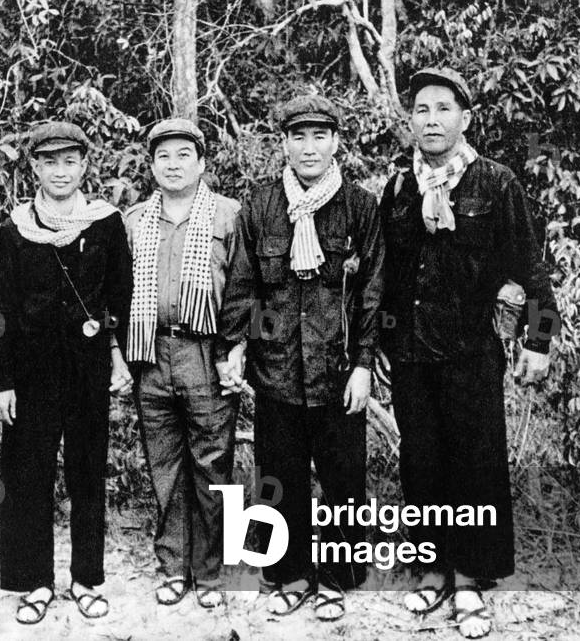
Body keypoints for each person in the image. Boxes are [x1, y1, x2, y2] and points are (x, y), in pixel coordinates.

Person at [379, 68, 558, 639]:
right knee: (421, 462)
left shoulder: (496, 182)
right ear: (410, 121)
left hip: (472, 353)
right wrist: (380, 343)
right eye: (421, 110)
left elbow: (531, 269)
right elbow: (386, 277)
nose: (431, 120)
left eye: (443, 109)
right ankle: (430, 568)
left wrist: (539, 341)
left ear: (465, 118)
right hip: (409, 354)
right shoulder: (400, 189)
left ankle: (469, 580)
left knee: (474, 463)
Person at [216, 95, 385, 621]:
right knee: (278, 473)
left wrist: (363, 363)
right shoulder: (262, 204)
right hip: (277, 370)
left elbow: (372, 291)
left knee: (342, 476)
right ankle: (289, 574)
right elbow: (244, 284)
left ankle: (336, 578)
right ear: (283, 144)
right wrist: (235, 346)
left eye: (319, 136)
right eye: (298, 137)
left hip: (337, 372)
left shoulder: (359, 206)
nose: (308, 148)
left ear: (336, 142)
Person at [0, 121, 133, 624]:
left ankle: (87, 578)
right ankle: (36, 582)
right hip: (30, 373)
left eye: (70, 161)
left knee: (87, 473)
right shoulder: (15, 229)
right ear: (34, 168)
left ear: (85, 165)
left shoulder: (106, 223)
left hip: (87, 369)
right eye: (49, 162)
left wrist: (118, 356)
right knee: (29, 476)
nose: (60, 171)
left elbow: (121, 297)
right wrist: (2, 380)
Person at [123, 118, 241, 609]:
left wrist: (233, 350)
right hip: (150, 353)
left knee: (213, 464)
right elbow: (117, 293)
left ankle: (212, 572)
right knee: (165, 465)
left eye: (183, 156)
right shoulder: (132, 221)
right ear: (151, 165)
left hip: (205, 353)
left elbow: (242, 290)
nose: (173, 165)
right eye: (163, 157)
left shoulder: (229, 215)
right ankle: (173, 566)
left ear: (202, 162)